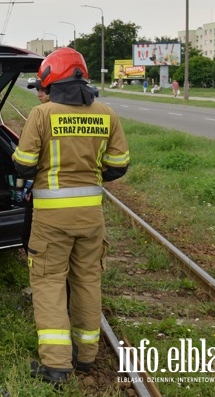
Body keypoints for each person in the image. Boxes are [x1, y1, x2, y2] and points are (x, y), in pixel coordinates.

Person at [12, 47, 130, 385]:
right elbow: (119, 165)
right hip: (91, 216)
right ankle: (87, 355)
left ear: (50, 80)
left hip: (51, 219)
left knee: (48, 283)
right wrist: (91, 175)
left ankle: (56, 364)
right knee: (88, 280)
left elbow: (22, 163)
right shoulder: (106, 113)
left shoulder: (43, 114)